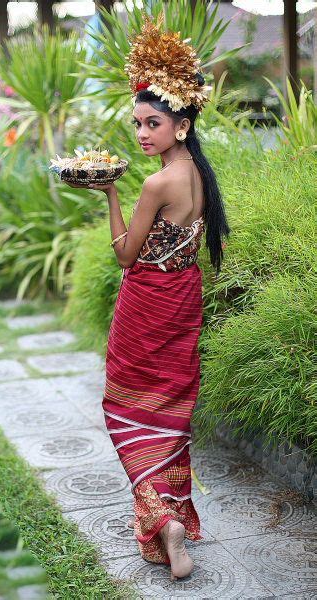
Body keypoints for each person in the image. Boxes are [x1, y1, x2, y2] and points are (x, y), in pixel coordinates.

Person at [66, 13, 230, 581]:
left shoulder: (157, 182)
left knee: (124, 407)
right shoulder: (199, 174)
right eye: (136, 123)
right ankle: (174, 520)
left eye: (152, 123)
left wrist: (110, 192)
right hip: (184, 296)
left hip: (146, 301)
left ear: (181, 125)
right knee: (171, 409)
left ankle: (163, 520)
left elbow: (124, 254)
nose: (141, 134)